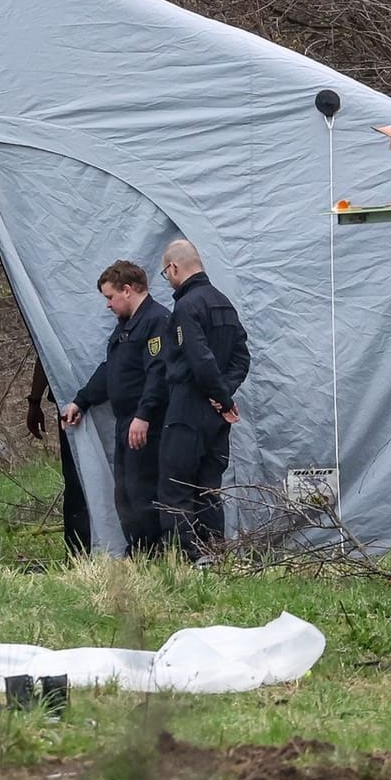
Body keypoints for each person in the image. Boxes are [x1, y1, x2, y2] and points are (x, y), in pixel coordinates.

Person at [60, 259, 171, 557]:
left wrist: (144, 415)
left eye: (110, 297)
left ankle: (154, 553)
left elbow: (158, 373)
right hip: (126, 421)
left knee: (143, 489)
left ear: (127, 290)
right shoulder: (125, 328)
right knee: (125, 492)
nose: (108, 305)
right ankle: (137, 550)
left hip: (148, 425)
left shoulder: (156, 321)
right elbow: (112, 370)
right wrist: (82, 400)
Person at [157, 239, 250, 562]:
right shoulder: (223, 303)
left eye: (165, 273)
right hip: (215, 416)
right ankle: (215, 555)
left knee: (176, 486)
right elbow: (241, 357)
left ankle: (187, 559)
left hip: (188, 407)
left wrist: (219, 396)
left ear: (173, 268)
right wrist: (224, 396)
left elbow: (200, 359)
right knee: (209, 488)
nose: (167, 280)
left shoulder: (186, 306)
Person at [28, 360, 90, 556]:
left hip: (101, 397)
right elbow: (46, 351)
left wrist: (35, 401)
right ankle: (78, 553)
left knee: (79, 481)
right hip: (68, 401)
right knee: (75, 481)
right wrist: (34, 400)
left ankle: (87, 551)